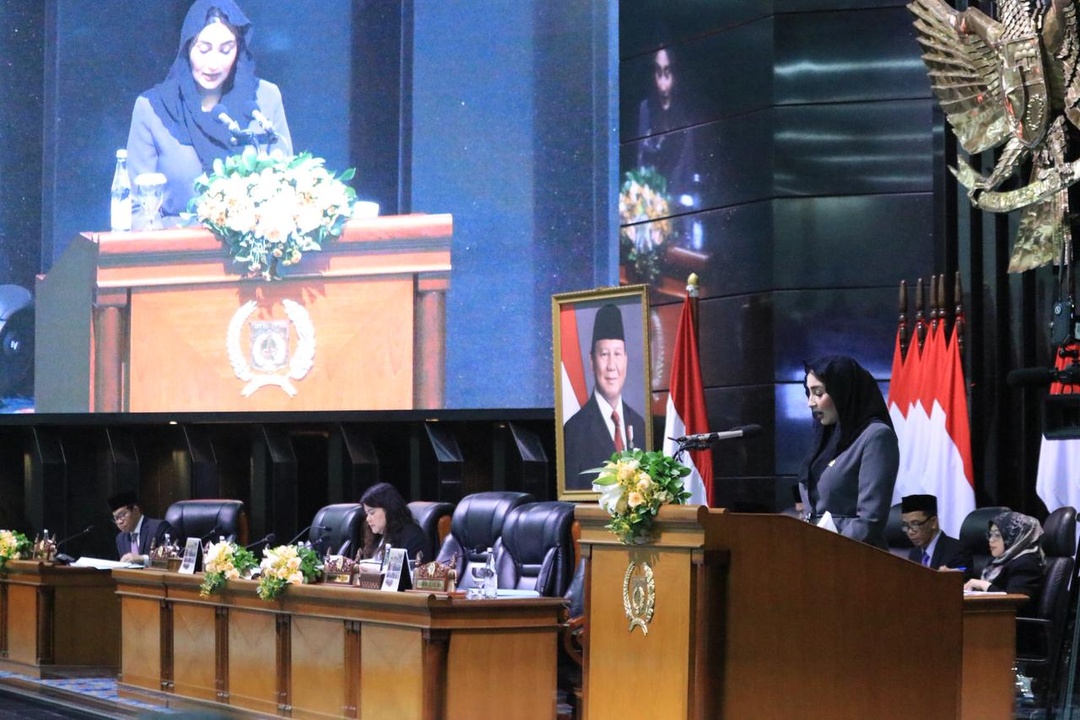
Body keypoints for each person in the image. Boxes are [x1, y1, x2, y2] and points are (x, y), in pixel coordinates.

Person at [125, 0, 293, 228]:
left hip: (254, 255)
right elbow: (135, 212)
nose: (213, 63)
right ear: (187, 46)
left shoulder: (265, 98)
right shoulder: (152, 108)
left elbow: (288, 192)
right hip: (177, 254)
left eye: (226, 50)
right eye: (203, 49)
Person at [797, 355, 899, 549]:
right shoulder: (826, 437)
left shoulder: (876, 436)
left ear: (842, 392)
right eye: (808, 393)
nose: (810, 402)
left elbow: (870, 519)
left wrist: (827, 549)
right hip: (817, 556)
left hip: (853, 559)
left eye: (818, 393)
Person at [562, 304, 647, 489]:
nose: (611, 365)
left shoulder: (640, 425)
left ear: (626, 359)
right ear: (592, 361)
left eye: (617, 354)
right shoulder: (574, 429)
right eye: (604, 354)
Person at [636, 44, 696, 202]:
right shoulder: (646, 109)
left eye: (667, 72)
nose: (663, 81)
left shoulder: (686, 113)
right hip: (652, 199)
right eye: (658, 72)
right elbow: (640, 159)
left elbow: (688, 164)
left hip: (678, 199)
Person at [964, 511, 1044, 612]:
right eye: (990, 534)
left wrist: (984, 585)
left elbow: (1015, 603)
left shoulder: (1026, 564)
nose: (991, 540)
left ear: (1014, 536)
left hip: (1014, 624)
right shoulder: (997, 562)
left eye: (997, 535)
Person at [900, 494, 971, 574]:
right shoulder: (915, 553)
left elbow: (964, 572)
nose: (910, 532)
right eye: (906, 526)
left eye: (915, 524)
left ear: (933, 522)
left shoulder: (957, 550)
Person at [359, 482, 430, 563]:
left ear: (388, 510)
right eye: (367, 514)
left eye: (372, 513)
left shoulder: (412, 537)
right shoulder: (376, 537)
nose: (368, 519)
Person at [108, 491, 172, 565]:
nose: (119, 522)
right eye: (116, 518)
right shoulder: (121, 538)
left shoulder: (159, 528)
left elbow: (172, 557)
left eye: (122, 515)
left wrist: (144, 559)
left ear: (135, 510)